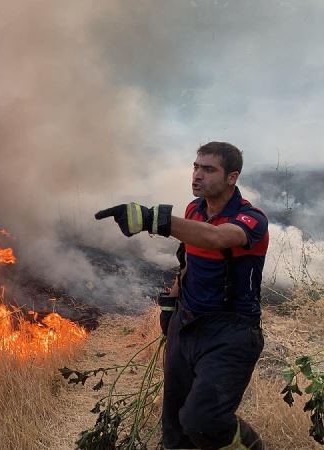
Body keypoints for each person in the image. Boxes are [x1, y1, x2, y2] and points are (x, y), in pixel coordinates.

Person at [95, 142, 268, 450]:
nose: (197, 175)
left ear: (232, 177)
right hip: (186, 323)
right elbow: (188, 259)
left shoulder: (251, 219)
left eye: (208, 169)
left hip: (231, 332)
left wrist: (152, 219)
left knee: (204, 422)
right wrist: (171, 303)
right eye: (195, 167)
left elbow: (214, 238)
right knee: (174, 427)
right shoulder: (194, 210)